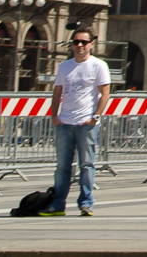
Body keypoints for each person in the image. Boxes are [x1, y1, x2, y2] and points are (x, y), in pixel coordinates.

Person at [40, 29, 110, 217]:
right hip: (64, 123)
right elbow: (57, 93)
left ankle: (86, 203)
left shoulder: (99, 65)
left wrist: (95, 117)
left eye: (84, 42)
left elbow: (105, 94)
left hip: (85, 124)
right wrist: (54, 116)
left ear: (91, 44)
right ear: (71, 44)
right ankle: (58, 204)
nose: (79, 45)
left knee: (86, 164)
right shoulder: (64, 66)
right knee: (62, 166)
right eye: (76, 41)